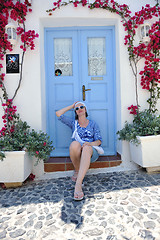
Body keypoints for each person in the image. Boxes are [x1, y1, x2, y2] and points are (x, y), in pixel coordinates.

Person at [56, 101, 102, 200]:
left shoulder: (93, 124)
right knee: (74, 144)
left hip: (90, 152)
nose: (79, 109)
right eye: (77, 108)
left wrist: (90, 144)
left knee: (86, 148)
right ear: (75, 112)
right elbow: (58, 114)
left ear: (85, 109)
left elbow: (99, 141)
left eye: (82, 107)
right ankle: (77, 170)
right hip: (78, 152)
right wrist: (72, 106)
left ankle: (78, 184)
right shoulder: (73, 123)